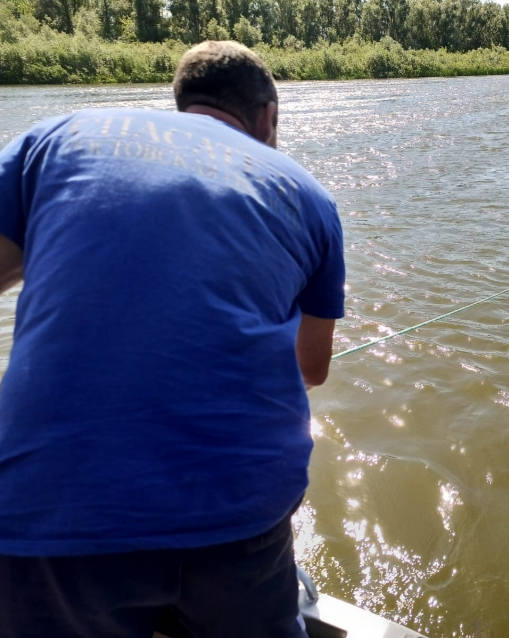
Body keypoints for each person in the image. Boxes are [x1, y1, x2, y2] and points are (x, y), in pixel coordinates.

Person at [0, 41, 345, 638]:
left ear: (182, 101)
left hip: (48, 509)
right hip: (236, 515)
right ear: (268, 117)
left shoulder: (56, 138)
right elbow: (312, 367)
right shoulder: (307, 193)